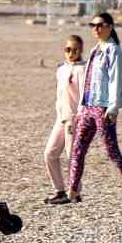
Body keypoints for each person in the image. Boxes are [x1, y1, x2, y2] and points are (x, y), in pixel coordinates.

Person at [66, 12, 122, 203]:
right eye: (93, 25)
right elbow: (87, 80)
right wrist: (80, 108)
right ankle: (73, 192)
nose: (96, 29)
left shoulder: (114, 50)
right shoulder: (95, 49)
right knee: (78, 150)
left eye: (99, 25)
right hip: (88, 107)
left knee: (112, 151)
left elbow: (115, 80)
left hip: (103, 109)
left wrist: (113, 108)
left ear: (110, 27)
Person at [42, 34, 85, 204]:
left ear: (80, 51)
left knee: (72, 156)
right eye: (68, 49)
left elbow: (84, 96)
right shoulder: (61, 69)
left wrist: (78, 118)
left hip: (74, 119)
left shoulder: (83, 70)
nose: (71, 53)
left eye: (75, 50)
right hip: (61, 118)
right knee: (50, 154)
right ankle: (59, 190)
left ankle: (74, 192)